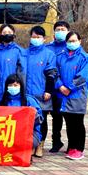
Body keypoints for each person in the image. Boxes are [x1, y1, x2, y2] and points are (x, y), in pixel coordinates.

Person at [55, 32, 88, 160]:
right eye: (69, 41)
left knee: (78, 122)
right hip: (63, 94)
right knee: (69, 122)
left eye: (74, 40)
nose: (72, 43)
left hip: (77, 94)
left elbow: (82, 77)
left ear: (80, 41)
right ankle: (71, 146)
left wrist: (70, 88)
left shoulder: (85, 58)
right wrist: (60, 86)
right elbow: (55, 73)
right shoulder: (60, 57)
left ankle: (79, 149)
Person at [26, 26, 58, 157]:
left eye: (38, 37)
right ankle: (30, 144)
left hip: (41, 93)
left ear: (44, 39)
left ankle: (40, 144)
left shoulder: (49, 54)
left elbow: (51, 73)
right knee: (28, 121)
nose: (35, 39)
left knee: (41, 120)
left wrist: (48, 90)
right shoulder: (24, 53)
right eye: (33, 37)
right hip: (27, 93)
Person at [0, 74, 43, 155]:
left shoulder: (29, 100)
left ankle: (29, 149)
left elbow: (39, 119)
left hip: (29, 133)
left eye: (15, 85)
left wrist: (31, 114)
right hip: (8, 133)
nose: (13, 87)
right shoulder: (3, 101)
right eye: (10, 85)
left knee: (22, 142)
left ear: (21, 86)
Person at [46, 20, 71, 152]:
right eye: (58, 30)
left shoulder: (71, 47)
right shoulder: (48, 48)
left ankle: (72, 143)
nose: (60, 32)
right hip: (53, 88)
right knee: (55, 116)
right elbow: (50, 69)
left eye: (63, 29)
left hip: (68, 89)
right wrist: (58, 84)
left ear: (68, 32)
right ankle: (56, 141)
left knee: (68, 116)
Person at [0, 24, 25, 99]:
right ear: (0, 35)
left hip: (13, 89)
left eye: (9, 32)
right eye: (4, 32)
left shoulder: (19, 51)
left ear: (13, 35)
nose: (7, 34)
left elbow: (22, 72)